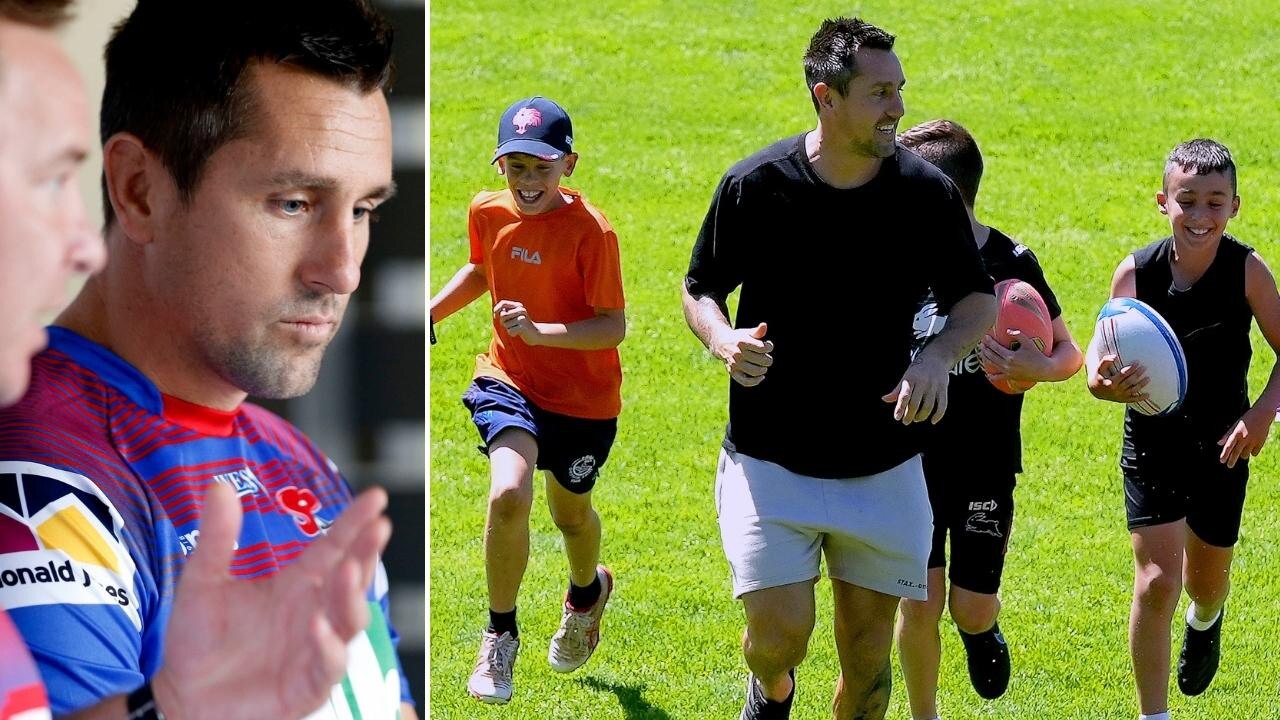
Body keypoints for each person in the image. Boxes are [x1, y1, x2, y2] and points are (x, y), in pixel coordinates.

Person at [0, 1, 418, 718]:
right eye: (293, 203)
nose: (342, 270)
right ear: (139, 191)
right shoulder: (40, 465)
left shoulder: (295, 459)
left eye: (362, 210)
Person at [681, 17, 997, 720]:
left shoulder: (925, 194)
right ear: (827, 97)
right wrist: (722, 339)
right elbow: (699, 287)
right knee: (778, 637)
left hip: (883, 465)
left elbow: (977, 299)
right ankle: (771, 689)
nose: (900, 110)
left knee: (869, 667)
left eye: (900, 91)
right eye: (882, 93)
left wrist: (939, 356)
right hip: (770, 462)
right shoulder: (755, 186)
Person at [430, 95, 626, 704]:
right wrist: (431, 311)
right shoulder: (487, 212)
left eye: (541, 167)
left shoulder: (593, 232)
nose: (527, 180)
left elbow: (612, 325)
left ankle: (587, 594)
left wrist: (541, 331)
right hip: (508, 379)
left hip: (583, 400)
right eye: (515, 166)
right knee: (509, 491)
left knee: (571, 517)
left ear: (569, 164)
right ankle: (500, 635)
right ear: (500, 167)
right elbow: (481, 269)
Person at [892, 119, 1083, 720]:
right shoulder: (893, 260)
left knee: (971, 605)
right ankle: (926, 714)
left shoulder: (1012, 262)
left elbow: (1070, 354)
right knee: (918, 600)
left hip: (986, 463)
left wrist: (1037, 366)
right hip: (908, 464)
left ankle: (980, 632)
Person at [1086, 139, 1280, 720]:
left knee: (1204, 582)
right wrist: (1104, 383)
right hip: (1152, 444)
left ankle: (1207, 620)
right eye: (1186, 200)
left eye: (1214, 202)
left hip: (1224, 445)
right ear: (1162, 202)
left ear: (1235, 206)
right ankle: (1154, 715)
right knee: (1156, 582)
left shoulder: (1246, 270)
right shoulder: (1135, 272)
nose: (1200, 216)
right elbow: (1100, 363)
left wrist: (1262, 413)